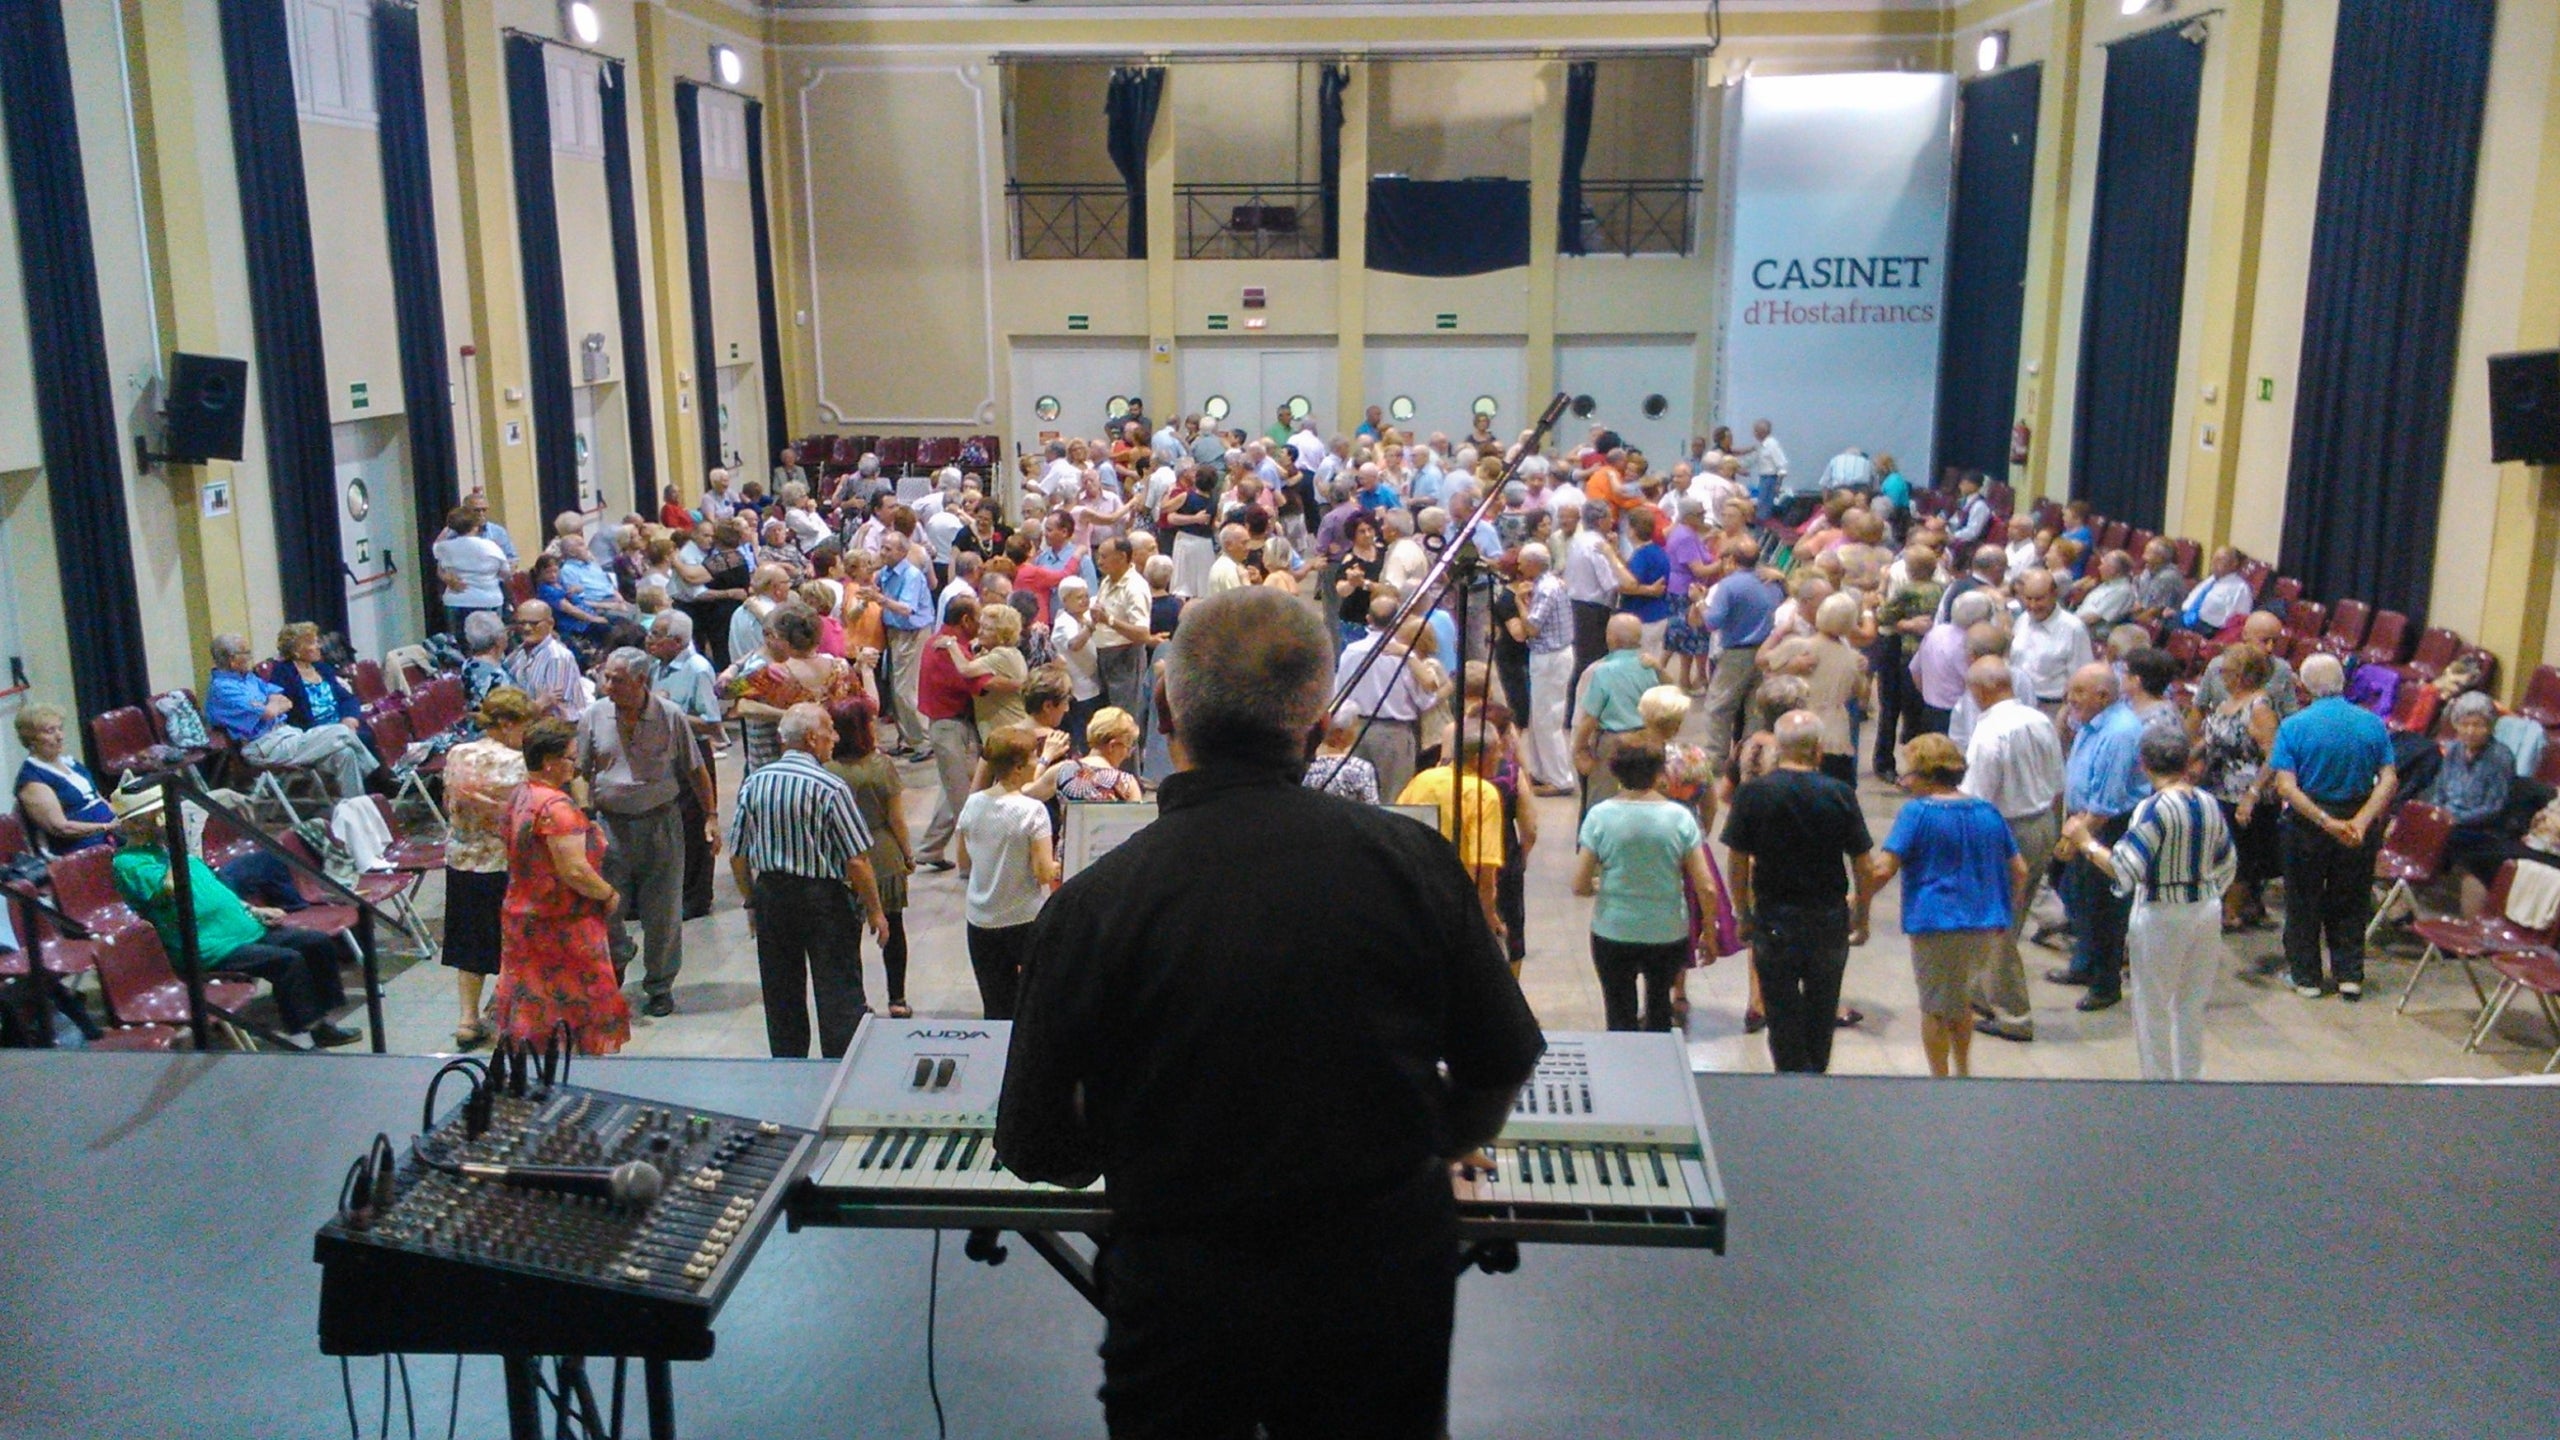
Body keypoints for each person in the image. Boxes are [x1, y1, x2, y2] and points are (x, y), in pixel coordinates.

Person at [996, 586, 1541, 1438]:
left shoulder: (1097, 903)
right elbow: (1501, 1060)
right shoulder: (1414, 863)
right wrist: (1417, 1141)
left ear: (1167, 705)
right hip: (1379, 1285)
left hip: (1179, 1293)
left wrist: (1147, 1147)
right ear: (1320, 716)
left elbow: (1034, 1144)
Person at [108, 786, 361, 1047]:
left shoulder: (167, 851)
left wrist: (253, 909)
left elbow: (214, 888)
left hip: (242, 928)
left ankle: (321, 1022)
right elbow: (170, 890)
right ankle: (301, 1035)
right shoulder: (128, 863)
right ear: (135, 824)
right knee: (288, 962)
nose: (166, 816)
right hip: (208, 946)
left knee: (316, 944)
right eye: (158, 813)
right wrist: (174, 842)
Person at [2064, 727, 2238, 1080]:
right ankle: (2191, 1078)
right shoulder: (2208, 802)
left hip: (2163, 912)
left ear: (2143, 765)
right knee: (2191, 1004)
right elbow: (2227, 861)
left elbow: (2124, 868)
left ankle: (2158, 1084)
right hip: (2206, 908)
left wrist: (2086, 842)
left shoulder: (2152, 808)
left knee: (2152, 1005)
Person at [726, 702, 889, 1058]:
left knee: (781, 991)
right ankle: (837, 1068)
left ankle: (789, 1068)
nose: (836, 737)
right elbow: (857, 860)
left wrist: (751, 900)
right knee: (839, 991)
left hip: (771, 894)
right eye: (830, 729)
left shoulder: (755, 782)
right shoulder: (830, 786)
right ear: (813, 738)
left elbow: (737, 854)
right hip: (823, 899)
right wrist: (876, 910)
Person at [1722, 710, 1878, 1073]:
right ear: (1819, 750)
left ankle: (1789, 1078)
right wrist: (1862, 914)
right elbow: (1862, 862)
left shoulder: (1754, 794)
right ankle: (1815, 1077)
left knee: (1781, 1011)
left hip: (1774, 918)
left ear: (1779, 748)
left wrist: (1742, 913)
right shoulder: (1839, 794)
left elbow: (1738, 860)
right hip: (1827, 918)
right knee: (1822, 1011)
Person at [1870, 734, 2027, 1077]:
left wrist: (1856, 898)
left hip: (1936, 922)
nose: (1905, 781)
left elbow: (1883, 868)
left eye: (1909, 773)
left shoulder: (1917, 813)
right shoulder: (1988, 812)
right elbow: (2020, 870)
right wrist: (2004, 912)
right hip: (1985, 923)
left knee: (1935, 1008)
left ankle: (1940, 1080)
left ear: (1925, 774)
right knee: (1961, 1003)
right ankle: (1963, 1071)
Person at [578, 648, 714, 1020]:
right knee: (605, 905)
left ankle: (659, 985)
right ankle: (619, 954)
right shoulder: (593, 715)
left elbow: (695, 769)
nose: (607, 685)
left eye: (617, 679)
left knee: (663, 911)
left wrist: (711, 816)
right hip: (609, 825)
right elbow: (580, 770)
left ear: (641, 681)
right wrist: (581, 817)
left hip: (660, 823)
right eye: (605, 677)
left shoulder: (669, 717)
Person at [494, 720, 630, 1054]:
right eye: (570, 758)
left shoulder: (520, 796)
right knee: (574, 1009)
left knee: (534, 1004)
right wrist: (609, 894)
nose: (575, 765)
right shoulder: (556, 809)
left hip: (522, 917)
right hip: (563, 924)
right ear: (549, 762)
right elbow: (574, 870)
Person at [2268, 653, 2398, 1001]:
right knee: (2352, 898)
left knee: (2303, 899)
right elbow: (2388, 779)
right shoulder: (2371, 723)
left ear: (2304, 685)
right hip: (2358, 821)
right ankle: (2350, 975)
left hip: (2309, 823)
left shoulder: (2294, 726)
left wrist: (2326, 821)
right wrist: (2361, 820)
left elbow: (2286, 786)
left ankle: (2306, 976)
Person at [1574, 740, 1721, 1032]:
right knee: (1659, 1009)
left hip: (1613, 928)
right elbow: (1706, 886)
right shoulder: (1681, 818)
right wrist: (1708, 932)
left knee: (1618, 1012)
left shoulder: (1600, 816)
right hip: (1667, 931)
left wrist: (1601, 885)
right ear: (1659, 775)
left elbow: (1579, 883)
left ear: (1617, 775)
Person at [1957, 658, 2065, 1044]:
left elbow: (1977, 797)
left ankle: (2013, 1015)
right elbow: (2056, 781)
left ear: (1980, 691)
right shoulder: (2039, 721)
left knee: (1997, 924)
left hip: (2006, 830)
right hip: (2041, 823)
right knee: (2010, 917)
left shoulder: (1989, 734)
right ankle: (1983, 992)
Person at [441, 687, 535, 1050]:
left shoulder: (457, 753)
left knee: (468, 942)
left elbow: (448, 801)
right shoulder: (519, 763)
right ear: (508, 723)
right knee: (511, 941)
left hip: (462, 859)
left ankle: (467, 1019)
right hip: (504, 861)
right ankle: (508, 1016)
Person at [2052, 663, 2149, 1012]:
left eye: (2078, 692)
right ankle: (2083, 965)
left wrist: (2075, 838)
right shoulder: (2091, 723)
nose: (2070, 699)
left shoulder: (2120, 733)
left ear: (2103, 696)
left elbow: (2106, 802)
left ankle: (2105, 984)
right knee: (2078, 897)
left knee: (2105, 909)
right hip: (2083, 820)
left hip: (2106, 827)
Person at [956, 725, 1056, 1019]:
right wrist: (1060, 864)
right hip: (1024, 920)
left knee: (996, 1005)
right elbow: (1042, 872)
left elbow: (964, 860)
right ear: (1017, 767)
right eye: (1034, 758)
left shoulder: (973, 803)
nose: (1037, 763)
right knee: (1034, 1002)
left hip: (981, 920)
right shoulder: (1032, 811)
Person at [204, 634, 374, 799]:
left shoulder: (248, 678)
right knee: (342, 731)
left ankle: (357, 807)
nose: (250, 657)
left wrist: (271, 705)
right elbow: (268, 712)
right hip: (264, 746)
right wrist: (271, 707)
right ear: (232, 660)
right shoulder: (222, 689)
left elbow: (284, 701)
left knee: (345, 753)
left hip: (286, 734)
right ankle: (383, 774)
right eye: (246, 653)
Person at [2197, 641, 2284, 930]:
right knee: (2217, 851)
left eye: (2228, 671)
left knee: (2240, 856)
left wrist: (2253, 793)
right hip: (2217, 787)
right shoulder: (2225, 703)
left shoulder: (2259, 708)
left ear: (2245, 675)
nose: (2222, 676)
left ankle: (2231, 913)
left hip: (2245, 795)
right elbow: (2210, 739)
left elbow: (2274, 755)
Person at [1396, 732, 1508, 942]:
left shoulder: (1423, 779)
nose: (1501, 757)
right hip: (1457, 904)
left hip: (1414, 896)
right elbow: (1484, 867)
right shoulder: (1484, 793)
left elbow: (1396, 828)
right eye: (1497, 751)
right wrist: (1489, 916)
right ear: (1477, 759)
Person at [1337, 595, 1436, 803]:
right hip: (1394, 733)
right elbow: (1425, 700)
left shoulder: (1351, 652)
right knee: (1395, 799)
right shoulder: (1404, 656)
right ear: (1398, 621)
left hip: (1357, 731)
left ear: (1368, 619)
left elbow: (1340, 694)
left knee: (1356, 798)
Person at [1698, 536, 1783, 775]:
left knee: (1720, 707)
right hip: (1766, 651)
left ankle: (1715, 759)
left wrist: (1699, 603)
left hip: (1736, 652)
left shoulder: (1729, 585)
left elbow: (1713, 622)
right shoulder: (1771, 583)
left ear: (1732, 561)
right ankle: (1751, 760)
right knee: (1755, 709)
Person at [1765, 592, 1866, 785]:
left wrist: (1787, 662)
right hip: (1837, 734)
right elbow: (1861, 694)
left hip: (1799, 726)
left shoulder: (1799, 647)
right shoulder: (1854, 659)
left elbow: (1763, 661)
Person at [1505, 543, 1577, 794]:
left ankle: (1560, 779)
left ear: (1534, 564)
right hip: (1550, 656)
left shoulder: (1546, 589)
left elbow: (1532, 628)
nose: (1520, 567)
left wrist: (1519, 602)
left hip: (1550, 657)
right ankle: (1541, 771)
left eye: (1523, 562)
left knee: (1548, 720)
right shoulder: (1550, 583)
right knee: (1539, 718)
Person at [2427, 691, 2519, 883]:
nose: (2470, 731)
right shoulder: (2453, 749)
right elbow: (2440, 789)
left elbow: (2494, 808)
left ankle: (2418, 883)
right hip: (2448, 818)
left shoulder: (2501, 757)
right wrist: (2437, 811)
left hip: (2480, 828)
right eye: (2465, 724)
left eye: (2478, 725)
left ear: (2490, 727)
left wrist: (2454, 819)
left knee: (2438, 835)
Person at [13, 704, 117, 855]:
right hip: (79, 849)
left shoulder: (71, 763)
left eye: (60, 728)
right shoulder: (32, 781)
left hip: (108, 833)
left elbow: (98, 799)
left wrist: (125, 814)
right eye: (50, 731)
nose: (60, 736)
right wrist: (105, 827)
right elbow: (61, 827)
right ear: (31, 740)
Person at [2008, 570, 2093, 716]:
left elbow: (2082, 678)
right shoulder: (2022, 620)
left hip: (2054, 709)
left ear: (2054, 595)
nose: (2033, 605)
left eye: (2039, 599)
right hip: (2018, 704)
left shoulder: (2073, 628)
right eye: (2028, 599)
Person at [433, 506, 513, 635]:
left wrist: (448, 529)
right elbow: (506, 573)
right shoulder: (490, 546)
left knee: (459, 644)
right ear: (475, 526)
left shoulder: (444, 547)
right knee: (489, 641)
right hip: (488, 599)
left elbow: (436, 547)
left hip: (456, 600)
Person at [504, 602, 589, 721]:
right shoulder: (517, 654)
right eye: (522, 623)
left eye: (534, 623)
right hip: (529, 724)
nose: (527, 628)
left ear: (550, 624)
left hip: (557, 730)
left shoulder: (557, 657)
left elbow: (553, 707)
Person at [1057, 706, 1146, 803]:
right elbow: (1138, 817)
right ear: (1112, 746)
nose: (1128, 755)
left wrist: (1044, 760)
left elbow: (1038, 800)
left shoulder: (1061, 770)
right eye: (1127, 748)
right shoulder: (1127, 783)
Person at [1303, 705, 1381, 803]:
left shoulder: (1305, 763)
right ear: (1340, 733)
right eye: (1355, 726)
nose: (1357, 731)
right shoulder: (1361, 769)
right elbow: (1371, 807)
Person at [2174, 548, 2253, 636]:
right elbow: (2192, 601)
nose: (2214, 562)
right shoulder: (2211, 580)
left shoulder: (2241, 588)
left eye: (2220, 560)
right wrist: (2177, 613)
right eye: (2213, 558)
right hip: (2186, 618)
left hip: (2208, 629)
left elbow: (2240, 621)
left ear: (2234, 564)